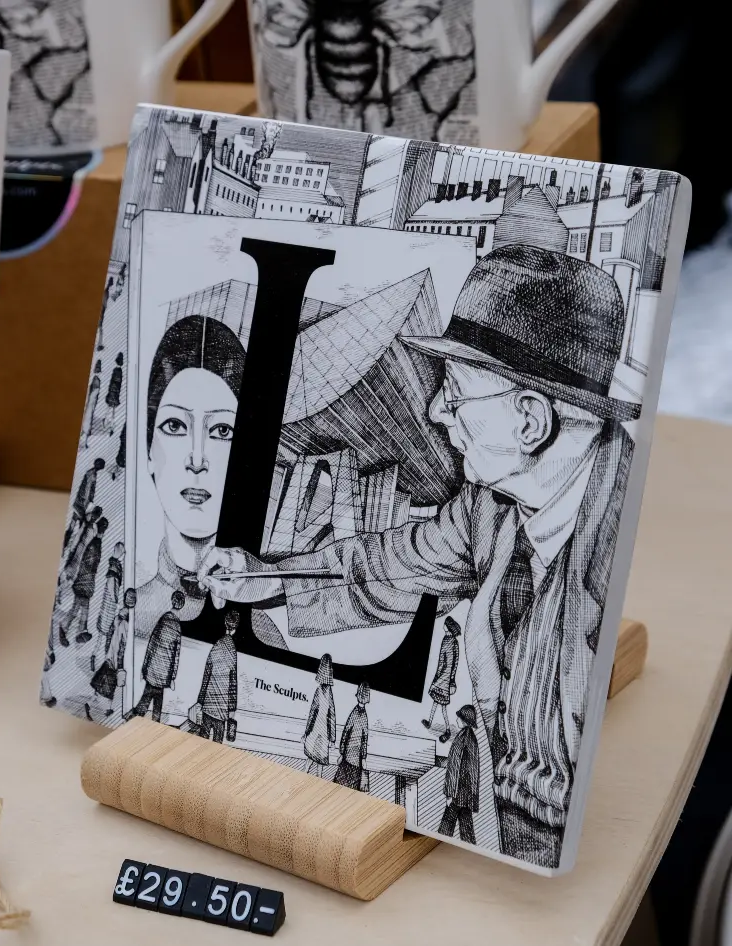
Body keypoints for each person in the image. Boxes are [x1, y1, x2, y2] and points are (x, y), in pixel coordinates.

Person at [198, 245, 641, 869]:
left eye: (455, 395)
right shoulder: (487, 507)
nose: (436, 412)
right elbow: (384, 566)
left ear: (530, 421)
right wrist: (267, 576)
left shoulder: (611, 530)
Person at [134, 315, 246, 643]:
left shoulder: (260, 635)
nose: (197, 460)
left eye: (222, 430)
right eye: (175, 426)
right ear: (149, 450)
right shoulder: (129, 618)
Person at [132, 590, 185, 723]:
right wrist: (172, 677)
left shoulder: (164, 619)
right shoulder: (177, 626)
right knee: (158, 702)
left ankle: (134, 720)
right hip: (164, 674)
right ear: (182, 605)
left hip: (153, 669)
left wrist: (144, 667)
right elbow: (176, 655)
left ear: (172, 601)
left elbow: (152, 644)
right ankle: (154, 724)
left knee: (145, 698)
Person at [86, 587, 136, 721]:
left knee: (102, 685)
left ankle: (94, 704)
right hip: (115, 660)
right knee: (109, 687)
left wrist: (107, 652)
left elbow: (109, 636)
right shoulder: (127, 624)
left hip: (109, 656)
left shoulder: (117, 617)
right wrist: (120, 665)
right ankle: (98, 706)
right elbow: (122, 646)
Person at [193, 610, 239, 743]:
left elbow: (206, 675)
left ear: (225, 623)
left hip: (208, 705)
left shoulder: (216, 646)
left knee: (202, 740)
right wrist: (232, 708)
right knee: (217, 743)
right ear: (235, 628)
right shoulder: (232, 651)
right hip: (222, 710)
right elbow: (233, 684)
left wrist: (200, 701)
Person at [62, 515, 108, 647]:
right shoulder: (95, 544)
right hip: (84, 581)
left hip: (86, 581)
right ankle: (65, 628)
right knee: (77, 607)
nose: (102, 532)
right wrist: (85, 580)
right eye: (103, 530)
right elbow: (88, 564)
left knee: (82, 608)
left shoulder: (96, 543)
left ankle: (79, 630)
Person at [438, 705, 480, 843]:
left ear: (465, 720)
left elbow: (454, 767)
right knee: (467, 831)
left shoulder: (463, 738)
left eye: (459, 717)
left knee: (445, 828)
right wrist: (472, 797)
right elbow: (472, 771)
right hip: (466, 795)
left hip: (457, 793)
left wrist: (450, 793)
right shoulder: (471, 738)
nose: (457, 719)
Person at [422, 616, 461, 743]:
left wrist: (445, 677)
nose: (443, 625)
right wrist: (451, 678)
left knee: (442, 705)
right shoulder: (451, 641)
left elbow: (445, 662)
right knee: (436, 701)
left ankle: (448, 730)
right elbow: (453, 663)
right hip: (445, 677)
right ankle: (430, 722)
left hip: (443, 678)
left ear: (448, 627)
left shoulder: (449, 641)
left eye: (445, 624)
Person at [91, 541, 124, 672]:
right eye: (121, 551)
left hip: (109, 604)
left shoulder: (114, 564)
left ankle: (94, 656)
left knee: (102, 636)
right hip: (109, 605)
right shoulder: (114, 566)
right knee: (106, 636)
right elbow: (111, 584)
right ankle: (100, 659)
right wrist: (116, 600)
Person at [303, 654, 336, 777]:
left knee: (312, 758)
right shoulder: (328, 693)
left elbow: (313, 713)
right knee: (318, 760)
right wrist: (332, 739)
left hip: (318, 731)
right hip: (321, 732)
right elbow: (331, 716)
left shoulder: (320, 692)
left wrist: (306, 733)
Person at [334, 682, 370, 792]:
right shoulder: (363, 716)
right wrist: (363, 758)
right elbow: (364, 740)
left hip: (349, 758)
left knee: (340, 786)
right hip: (354, 760)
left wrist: (342, 752)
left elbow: (345, 733)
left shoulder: (354, 713)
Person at [64, 457, 105, 552]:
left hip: (78, 503)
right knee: (80, 528)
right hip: (82, 506)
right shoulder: (92, 475)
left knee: (72, 526)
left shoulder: (90, 472)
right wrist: (87, 506)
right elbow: (87, 491)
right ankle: (72, 549)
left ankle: (65, 545)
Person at [80, 360, 102, 450]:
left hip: (89, 407)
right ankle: (84, 443)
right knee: (87, 426)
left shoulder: (93, 380)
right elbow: (94, 395)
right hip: (90, 408)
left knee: (86, 425)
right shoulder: (97, 381)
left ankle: (84, 442)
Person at [105, 352, 123, 436]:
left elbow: (112, 383)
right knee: (113, 412)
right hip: (116, 395)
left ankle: (106, 425)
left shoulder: (115, 370)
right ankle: (111, 427)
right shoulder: (121, 372)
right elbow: (119, 385)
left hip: (112, 393)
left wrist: (109, 393)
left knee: (108, 410)